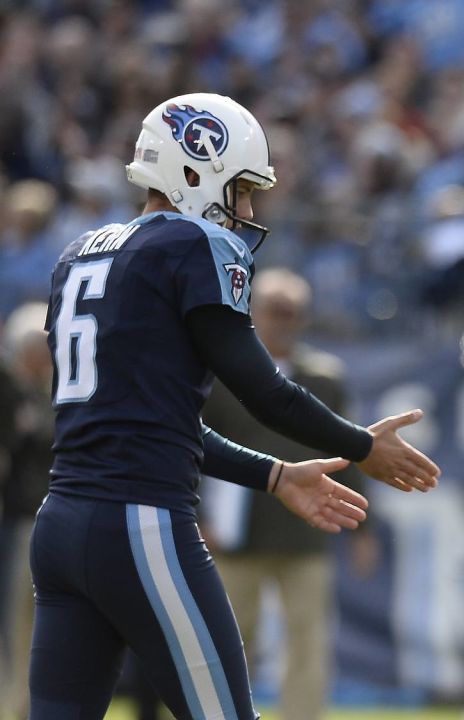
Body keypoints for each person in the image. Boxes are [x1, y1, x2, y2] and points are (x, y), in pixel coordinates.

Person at [30, 92, 440, 720]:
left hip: (60, 525)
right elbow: (266, 390)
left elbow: (158, 422)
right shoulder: (191, 244)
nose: (245, 211)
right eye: (241, 190)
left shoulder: (77, 255)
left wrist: (273, 475)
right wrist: (362, 446)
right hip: (140, 524)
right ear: (194, 171)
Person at [200, 268, 363, 720]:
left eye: (292, 312)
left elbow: (348, 448)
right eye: (275, 311)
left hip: (307, 528)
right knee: (231, 641)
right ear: (254, 314)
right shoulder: (224, 376)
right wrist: (198, 516)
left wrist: (362, 524)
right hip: (237, 530)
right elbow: (193, 444)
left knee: (308, 642)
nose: (283, 321)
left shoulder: (324, 377)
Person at [0, 302, 54, 720]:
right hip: (19, 522)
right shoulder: (9, 391)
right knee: (15, 627)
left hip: (50, 520)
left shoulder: (54, 393)